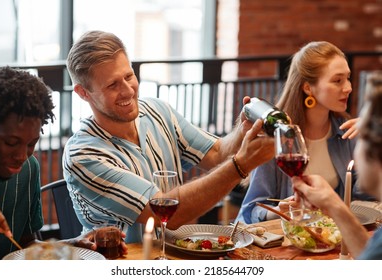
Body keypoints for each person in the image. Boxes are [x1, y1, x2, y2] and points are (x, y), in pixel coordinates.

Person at [63, 30, 274, 243]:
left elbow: (218, 153)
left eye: (129, 76)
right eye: (112, 85)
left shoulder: (158, 111)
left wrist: (243, 131)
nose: (128, 91)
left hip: (175, 255)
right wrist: (240, 165)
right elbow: (164, 213)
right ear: (83, 93)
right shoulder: (83, 154)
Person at [0, 66, 127, 260]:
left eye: (32, 143)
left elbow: (25, 244)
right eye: (11, 143)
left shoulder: (28, 169)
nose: (22, 155)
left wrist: (74, 243)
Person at [236, 41, 373, 224]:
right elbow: (249, 213)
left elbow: (366, 199)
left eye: (348, 78)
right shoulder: (276, 136)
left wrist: (373, 145)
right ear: (308, 87)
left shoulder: (347, 133)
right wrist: (277, 212)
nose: (348, 87)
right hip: (288, 243)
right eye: (337, 80)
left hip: (334, 243)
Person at [292, 72, 382, 259]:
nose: (349, 87)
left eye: (363, 134)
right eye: (337, 80)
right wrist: (333, 204)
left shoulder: (343, 132)